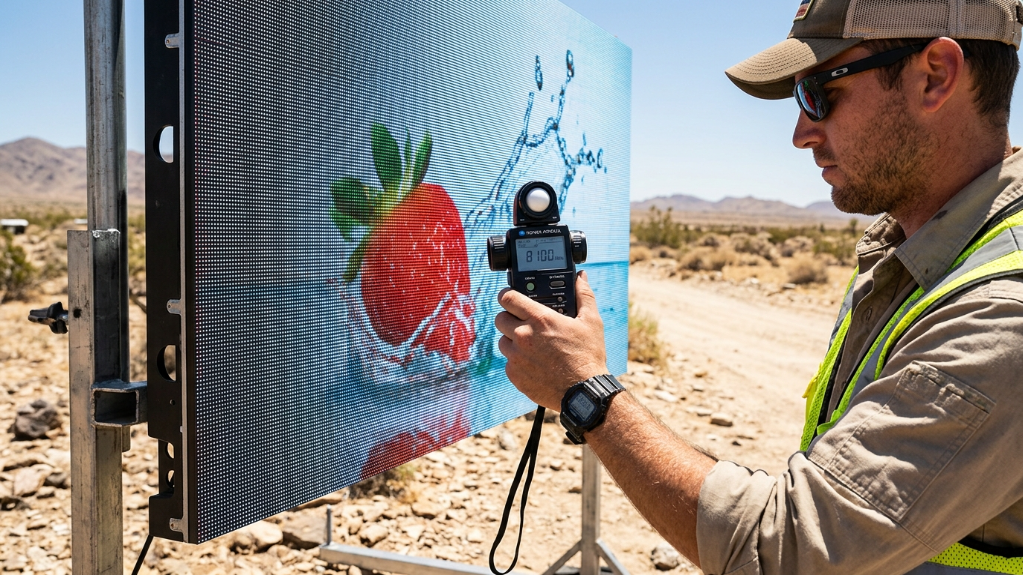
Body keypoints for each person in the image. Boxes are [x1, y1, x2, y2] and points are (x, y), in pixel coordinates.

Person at [495, 0, 1023, 573]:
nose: (801, 132)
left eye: (819, 92)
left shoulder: (1001, 314)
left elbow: (790, 551)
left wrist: (587, 394)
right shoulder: (921, 250)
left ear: (935, 76)